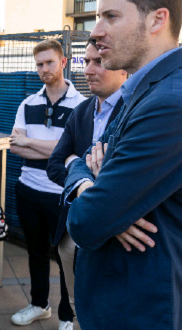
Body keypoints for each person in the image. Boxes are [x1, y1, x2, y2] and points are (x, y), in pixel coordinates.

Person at [64, 0, 182, 329]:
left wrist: (103, 202)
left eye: (110, 16)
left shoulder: (173, 104)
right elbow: (85, 158)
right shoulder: (147, 92)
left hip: (144, 312)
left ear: (158, 19)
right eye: (97, 17)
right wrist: (96, 187)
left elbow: (87, 222)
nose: (97, 31)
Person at [45, 39, 127, 315]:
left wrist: (73, 161)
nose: (88, 70)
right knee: (78, 304)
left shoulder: (134, 111)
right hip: (74, 225)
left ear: (123, 68)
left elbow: (125, 176)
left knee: (110, 307)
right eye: (86, 62)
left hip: (117, 229)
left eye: (98, 62)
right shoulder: (81, 112)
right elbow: (55, 164)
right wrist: (80, 168)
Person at [9, 39, 85, 330]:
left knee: (67, 254)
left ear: (63, 62)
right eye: (39, 64)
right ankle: (40, 304)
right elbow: (16, 146)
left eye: (49, 62)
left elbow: (76, 149)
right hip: (29, 188)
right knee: (36, 251)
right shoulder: (29, 103)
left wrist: (31, 142)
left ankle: (67, 315)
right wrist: (55, 148)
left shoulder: (81, 105)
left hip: (63, 194)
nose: (44, 69)